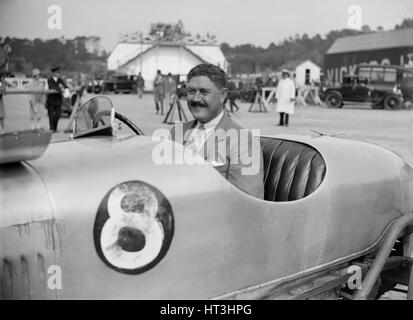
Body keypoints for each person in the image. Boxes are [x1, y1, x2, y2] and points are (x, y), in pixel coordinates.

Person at [170, 64, 264, 199]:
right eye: (191, 91)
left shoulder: (243, 141)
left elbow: (248, 204)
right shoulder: (176, 132)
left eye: (204, 92)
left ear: (223, 95)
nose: (196, 99)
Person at [46, 66, 68, 132]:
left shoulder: (60, 80)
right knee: (51, 115)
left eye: (59, 72)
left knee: (58, 115)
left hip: (58, 100)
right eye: (58, 73)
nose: (59, 74)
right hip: (51, 100)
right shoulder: (49, 80)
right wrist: (60, 88)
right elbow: (52, 87)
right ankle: (51, 128)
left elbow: (65, 86)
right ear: (54, 73)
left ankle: (55, 128)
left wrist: (62, 87)